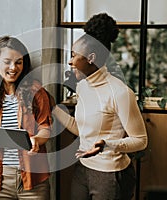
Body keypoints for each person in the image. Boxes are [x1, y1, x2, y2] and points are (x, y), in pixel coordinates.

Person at [52, 13, 148, 200]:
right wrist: (52, 108)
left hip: (110, 174)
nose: (70, 61)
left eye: (73, 56)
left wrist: (107, 144)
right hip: (83, 168)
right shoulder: (82, 86)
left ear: (91, 58)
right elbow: (82, 129)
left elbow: (141, 140)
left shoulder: (119, 92)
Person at [0, 36, 52, 199]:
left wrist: (37, 140)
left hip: (33, 177)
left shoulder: (36, 91)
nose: (13, 67)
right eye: (7, 61)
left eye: (18, 62)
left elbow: (45, 128)